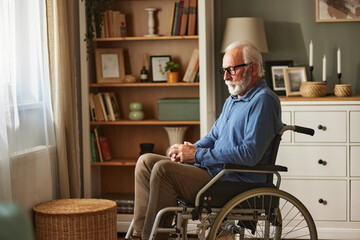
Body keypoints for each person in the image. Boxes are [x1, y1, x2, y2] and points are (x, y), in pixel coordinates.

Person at [132, 41, 283, 240]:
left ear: (253, 68)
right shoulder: (234, 99)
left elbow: (249, 154)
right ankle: (139, 235)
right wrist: (189, 149)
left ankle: (152, 237)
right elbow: (213, 137)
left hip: (234, 181)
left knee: (162, 170)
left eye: (232, 70)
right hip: (215, 172)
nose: (226, 77)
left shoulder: (263, 100)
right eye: (224, 71)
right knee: (146, 162)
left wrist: (196, 155)